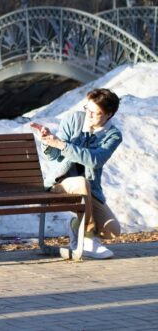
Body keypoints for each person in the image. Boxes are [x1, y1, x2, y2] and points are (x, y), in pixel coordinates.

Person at [30, 88, 122, 259]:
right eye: (88, 109)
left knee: (113, 230)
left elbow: (95, 159)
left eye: (96, 113)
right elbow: (54, 156)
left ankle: (75, 226)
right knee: (80, 182)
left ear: (109, 115)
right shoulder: (73, 119)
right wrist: (47, 141)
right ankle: (87, 239)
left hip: (90, 189)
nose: (89, 115)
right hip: (60, 183)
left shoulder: (113, 135)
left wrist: (62, 145)